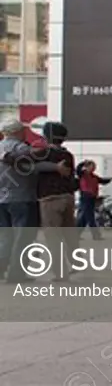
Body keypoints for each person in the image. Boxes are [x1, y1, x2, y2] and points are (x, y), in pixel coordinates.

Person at [0, 119, 70, 284]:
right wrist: (56, 167)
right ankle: (16, 274)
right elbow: (32, 167)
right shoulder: (21, 148)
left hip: (1, 200)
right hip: (22, 198)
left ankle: (1, 270)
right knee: (23, 238)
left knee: (5, 237)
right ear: (17, 131)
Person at [35, 122, 79, 280]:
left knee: (53, 236)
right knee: (69, 233)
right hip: (68, 197)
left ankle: (60, 273)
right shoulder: (68, 155)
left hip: (50, 198)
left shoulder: (42, 153)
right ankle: (76, 261)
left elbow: (29, 165)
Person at [77, 160, 112, 239]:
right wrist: (83, 163)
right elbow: (78, 169)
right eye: (92, 166)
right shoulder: (83, 174)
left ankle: (75, 235)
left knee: (84, 218)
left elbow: (102, 181)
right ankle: (96, 235)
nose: (93, 168)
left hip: (92, 198)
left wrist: (109, 180)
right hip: (86, 197)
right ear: (87, 167)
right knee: (90, 217)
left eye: (94, 167)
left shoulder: (94, 176)